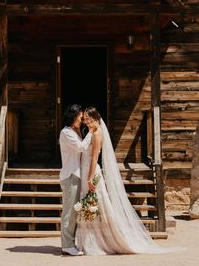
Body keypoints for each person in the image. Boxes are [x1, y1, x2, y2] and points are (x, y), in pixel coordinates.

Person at [76, 106, 184, 255]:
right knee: (91, 204)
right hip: (86, 169)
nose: (86, 121)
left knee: (97, 204)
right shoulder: (91, 131)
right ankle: (89, 240)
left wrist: (89, 178)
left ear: (96, 117)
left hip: (91, 172)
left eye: (89, 118)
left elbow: (95, 157)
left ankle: (100, 240)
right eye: (85, 119)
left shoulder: (97, 134)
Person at [59, 104, 94, 256]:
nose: (81, 120)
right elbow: (81, 147)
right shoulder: (66, 133)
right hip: (70, 175)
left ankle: (70, 243)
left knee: (74, 211)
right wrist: (91, 132)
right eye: (80, 118)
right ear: (73, 117)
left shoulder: (72, 131)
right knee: (69, 212)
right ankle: (67, 245)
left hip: (75, 174)